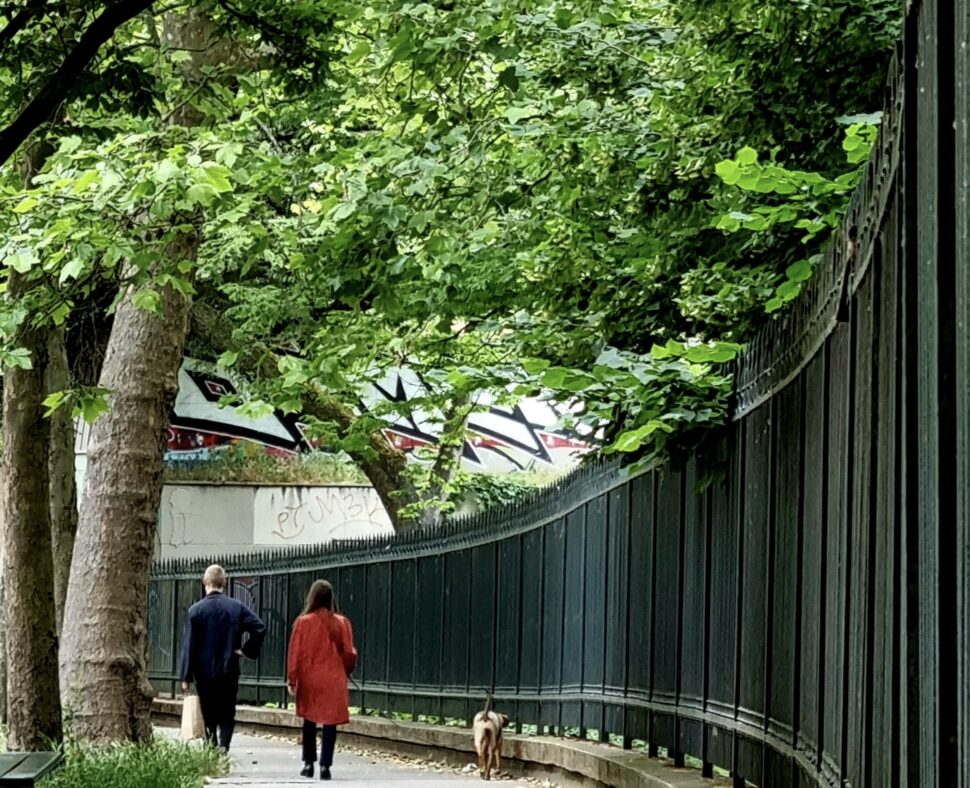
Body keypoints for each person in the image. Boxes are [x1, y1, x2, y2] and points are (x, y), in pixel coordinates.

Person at [180, 564, 266, 752]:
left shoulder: (195, 611)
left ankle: (211, 745)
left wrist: (186, 676)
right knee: (227, 711)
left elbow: (190, 645)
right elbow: (259, 627)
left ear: (205, 583)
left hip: (203, 671)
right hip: (229, 668)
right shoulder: (236, 607)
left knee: (208, 711)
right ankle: (224, 745)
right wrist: (246, 650)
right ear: (224, 584)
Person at [287, 579, 357, 781]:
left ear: (312, 597)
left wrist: (292, 679)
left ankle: (308, 763)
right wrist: (346, 670)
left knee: (309, 720)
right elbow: (350, 653)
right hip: (333, 677)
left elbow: (295, 654)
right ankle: (326, 765)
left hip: (310, 677)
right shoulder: (342, 623)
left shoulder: (302, 622)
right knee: (330, 722)